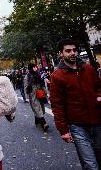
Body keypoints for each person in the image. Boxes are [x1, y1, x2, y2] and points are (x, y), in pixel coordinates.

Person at [50, 39, 101, 169]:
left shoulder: (88, 69)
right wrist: (63, 130)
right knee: (90, 164)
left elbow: (99, 86)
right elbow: (57, 104)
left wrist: (99, 96)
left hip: (97, 121)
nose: (72, 53)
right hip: (77, 126)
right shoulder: (57, 76)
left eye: (74, 50)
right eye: (68, 51)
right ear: (61, 54)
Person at [24, 63, 49, 131]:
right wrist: (26, 97)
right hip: (32, 94)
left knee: (42, 108)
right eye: (34, 67)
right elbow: (26, 87)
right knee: (37, 107)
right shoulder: (27, 76)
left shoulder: (38, 74)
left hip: (40, 93)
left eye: (36, 67)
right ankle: (44, 123)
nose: (36, 68)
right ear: (31, 68)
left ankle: (37, 120)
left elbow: (42, 85)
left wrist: (47, 93)